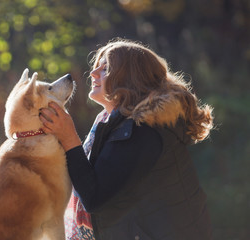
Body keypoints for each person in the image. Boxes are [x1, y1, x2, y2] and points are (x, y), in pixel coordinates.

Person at [39, 39, 214, 240]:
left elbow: (94, 197)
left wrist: (69, 137)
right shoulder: (114, 122)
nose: (93, 74)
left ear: (131, 78)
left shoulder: (143, 131)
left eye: (105, 69)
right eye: (96, 67)